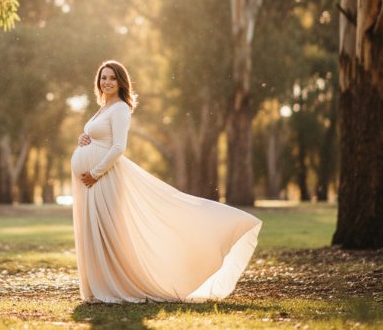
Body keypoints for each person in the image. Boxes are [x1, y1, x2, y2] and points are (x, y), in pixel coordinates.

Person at [70, 60, 262, 303]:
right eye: (103, 77)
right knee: (94, 232)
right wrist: (84, 138)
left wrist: (95, 172)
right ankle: (99, 286)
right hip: (91, 182)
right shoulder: (103, 107)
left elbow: (118, 147)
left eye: (112, 78)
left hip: (102, 180)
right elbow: (101, 137)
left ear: (121, 82)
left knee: (108, 233)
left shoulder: (119, 108)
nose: (106, 82)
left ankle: (117, 285)